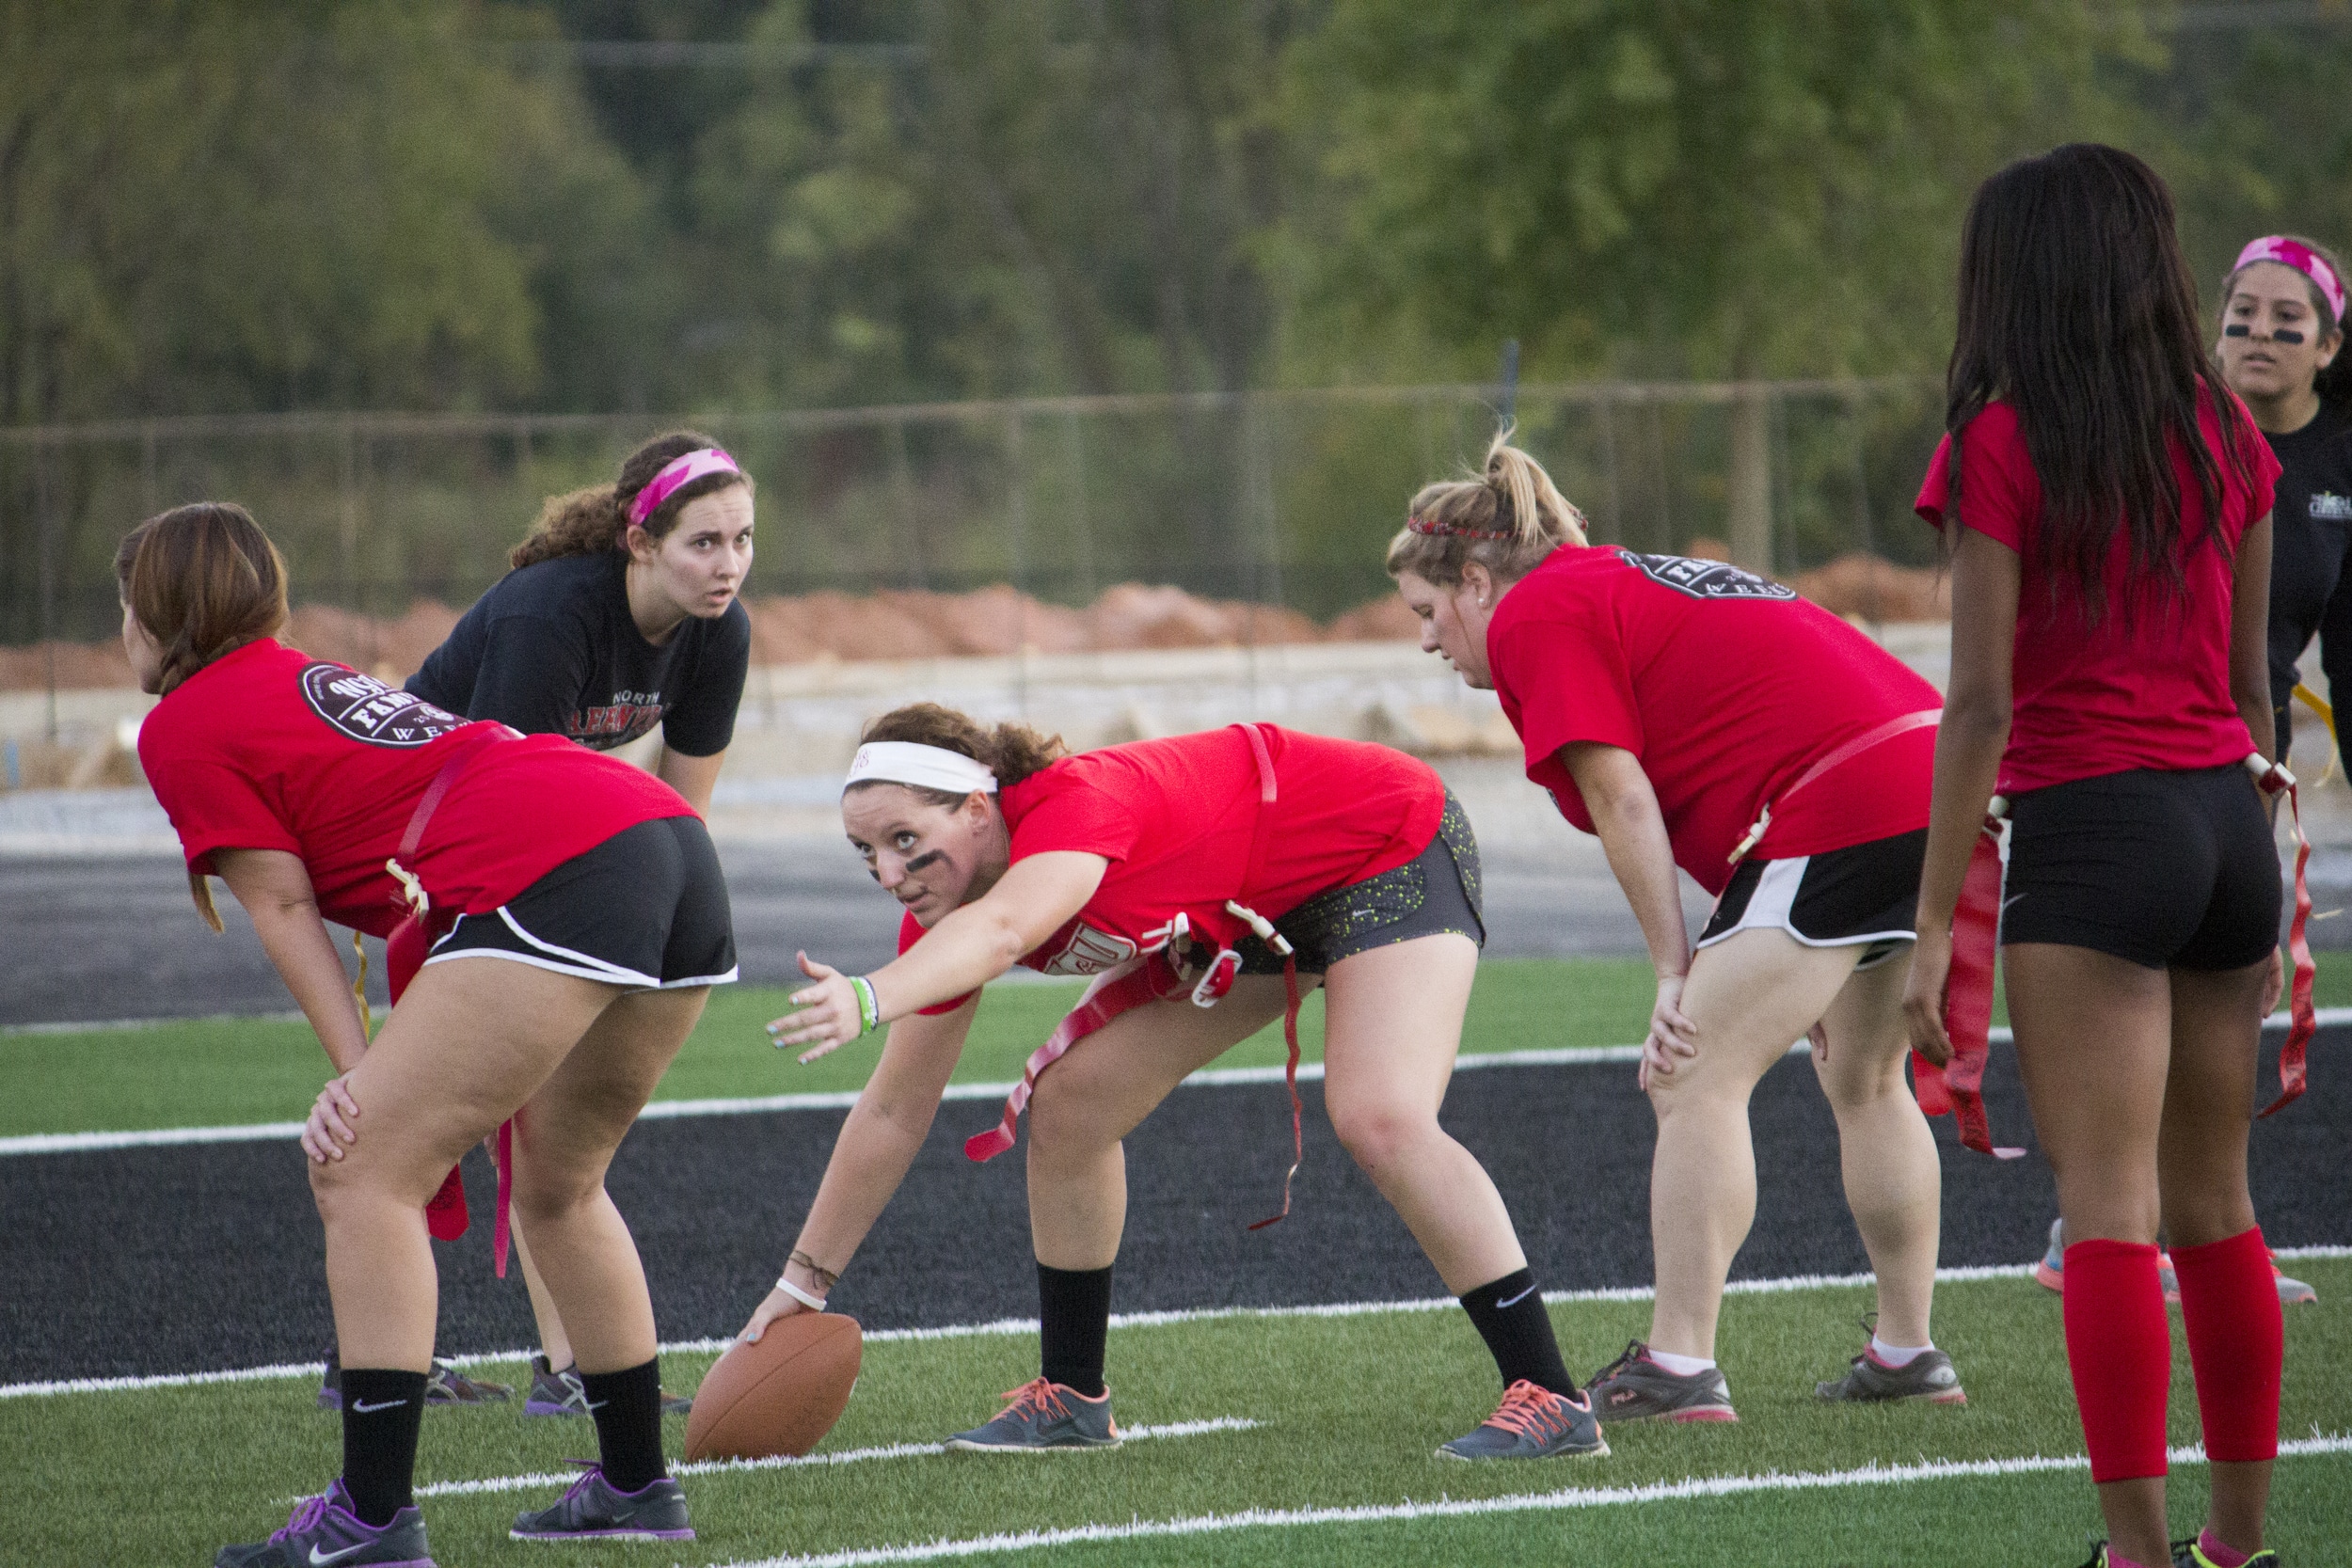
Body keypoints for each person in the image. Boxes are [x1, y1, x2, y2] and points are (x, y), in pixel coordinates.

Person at [745, 705, 1608, 1462]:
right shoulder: (950, 908)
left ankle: (1553, 1396)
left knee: (1379, 1114)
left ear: (978, 807)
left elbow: (1009, 928)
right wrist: (802, 1283)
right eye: (868, 854)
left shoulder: (1070, 809)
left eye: (906, 841)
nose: (892, 874)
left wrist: (868, 996)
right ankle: (1073, 1398)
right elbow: (895, 1110)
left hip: (1384, 842)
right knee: (1072, 1104)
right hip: (1262, 905)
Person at [121, 503, 734, 1564]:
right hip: (663, 840)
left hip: (562, 855)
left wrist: (356, 1076)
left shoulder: (183, 720)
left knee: (360, 1169)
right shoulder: (301, 672)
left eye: (122, 605)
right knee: (560, 1186)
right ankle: (636, 1481)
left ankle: (369, 1518)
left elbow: (280, 905)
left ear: (157, 613)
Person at [1389, 431, 1962, 1426]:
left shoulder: (1540, 610)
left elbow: (1623, 798)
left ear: (1477, 580)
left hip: (1846, 800)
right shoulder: (1603, 580)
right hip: (1929, 779)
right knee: (1865, 1078)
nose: (1428, 639)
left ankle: (1679, 1363)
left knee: (1688, 1069)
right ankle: (1906, 1349)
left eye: (1427, 611)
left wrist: (1670, 968)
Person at [1905, 145, 2287, 1568]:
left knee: (2109, 1210)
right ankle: (2235, 1547)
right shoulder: (2223, 429)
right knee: (2218, 1203)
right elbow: (2252, 697)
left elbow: (1985, 706)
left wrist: (1931, 924)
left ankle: (2132, 1553)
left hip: (2095, 827)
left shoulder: (2001, 440)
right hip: (2221, 822)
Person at [370, 429, 755, 1418]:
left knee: (541, 1124)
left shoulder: (722, 630)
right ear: (639, 542)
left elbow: (681, 809)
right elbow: (500, 800)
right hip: (416, 837)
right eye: (702, 543)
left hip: (543, 842)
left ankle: (569, 1368)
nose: (727, 566)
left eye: (742, 540)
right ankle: (366, 1353)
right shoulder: (554, 613)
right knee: (425, 1112)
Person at [2025, 236, 2337, 1314]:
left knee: (2209, 1132)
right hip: (2135, 775)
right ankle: (2111, 1228)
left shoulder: (2303, 462)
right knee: (2131, 1092)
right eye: (2239, 311)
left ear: (2329, 344)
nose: (2255, 331)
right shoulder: (2174, 429)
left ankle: (2164, 1236)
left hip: (2228, 774)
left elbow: (2283, 665)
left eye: (2284, 318)